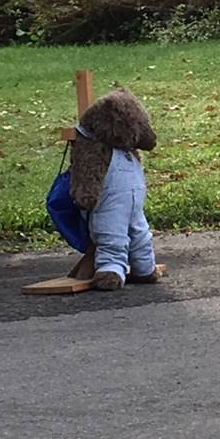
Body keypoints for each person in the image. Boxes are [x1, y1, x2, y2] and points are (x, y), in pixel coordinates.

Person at [70, 86, 167, 291]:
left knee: (115, 235)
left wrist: (85, 195)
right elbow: (90, 171)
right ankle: (129, 269)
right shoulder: (106, 148)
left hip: (112, 202)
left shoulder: (104, 147)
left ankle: (122, 268)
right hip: (129, 199)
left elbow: (88, 171)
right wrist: (87, 193)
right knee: (135, 234)